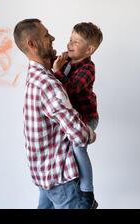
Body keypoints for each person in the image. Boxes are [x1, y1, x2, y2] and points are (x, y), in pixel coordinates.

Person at [13, 18, 96, 209]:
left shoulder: (36, 75)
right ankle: (88, 191)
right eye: (46, 35)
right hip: (61, 179)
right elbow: (79, 135)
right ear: (32, 44)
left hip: (45, 175)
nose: (53, 38)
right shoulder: (48, 83)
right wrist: (90, 133)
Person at [53, 22, 103, 208]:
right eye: (70, 40)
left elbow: (71, 90)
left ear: (89, 49)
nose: (69, 44)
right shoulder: (66, 62)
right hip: (74, 118)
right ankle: (73, 182)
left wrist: (58, 71)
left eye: (76, 42)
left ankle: (87, 193)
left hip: (87, 117)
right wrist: (57, 65)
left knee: (78, 147)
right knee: (68, 149)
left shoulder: (88, 68)